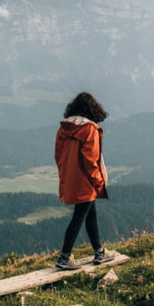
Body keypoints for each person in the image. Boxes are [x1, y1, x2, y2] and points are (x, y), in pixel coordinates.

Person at [54, 92, 117, 270]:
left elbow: (58, 156)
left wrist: (66, 175)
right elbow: (91, 160)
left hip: (72, 178)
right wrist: (98, 181)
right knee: (79, 217)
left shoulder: (63, 128)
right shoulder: (90, 129)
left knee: (90, 215)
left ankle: (100, 252)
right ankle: (64, 258)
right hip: (86, 181)